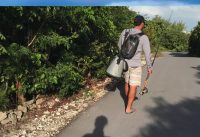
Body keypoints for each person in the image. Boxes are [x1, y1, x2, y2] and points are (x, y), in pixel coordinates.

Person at [118, 15, 152, 114]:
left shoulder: (125, 32)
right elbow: (147, 54)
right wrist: (149, 67)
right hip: (136, 65)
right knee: (133, 85)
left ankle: (127, 100)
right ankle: (128, 108)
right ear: (142, 23)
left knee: (127, 83)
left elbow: (119, 45)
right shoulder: (144, 37)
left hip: (125, 63)